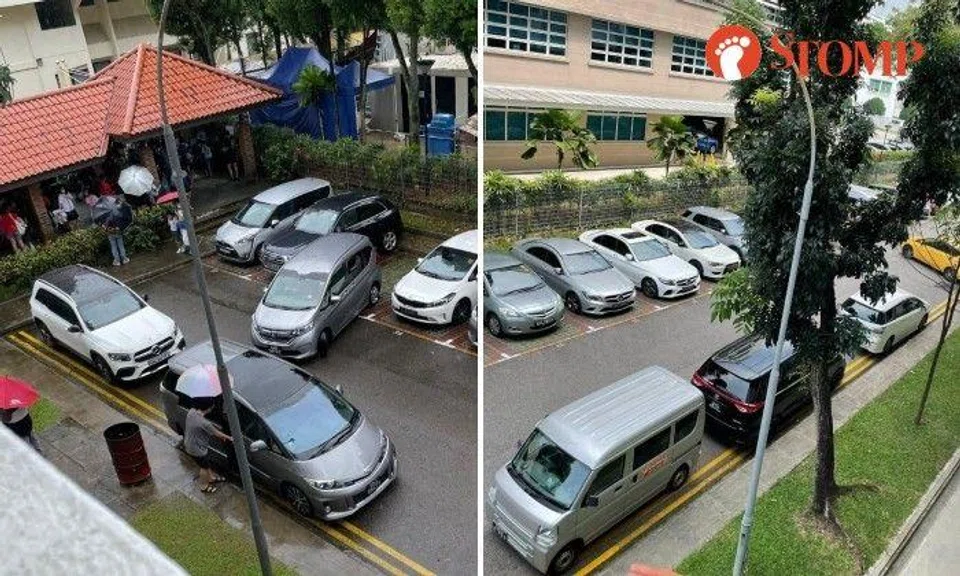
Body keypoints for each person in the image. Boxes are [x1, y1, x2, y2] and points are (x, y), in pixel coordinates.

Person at [183, 397, 232, 493]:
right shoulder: (205, 423)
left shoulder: (192, 412)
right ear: (208, 408)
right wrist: (230, 438)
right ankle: (204, 486)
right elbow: (217, 433)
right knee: (204, 468)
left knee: (206, 464)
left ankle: (211, 478)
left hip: (190, 444)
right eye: (212, 406)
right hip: (197, 450)